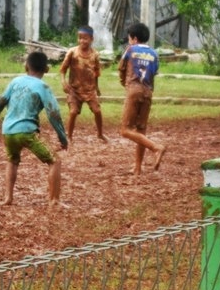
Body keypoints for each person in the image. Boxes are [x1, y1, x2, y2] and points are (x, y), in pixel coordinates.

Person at [0, 51, 68, 206]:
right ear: (46, 69)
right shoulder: (43, 86)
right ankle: (54, 200)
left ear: (26, 66)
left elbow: (1, 100)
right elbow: (54, 113)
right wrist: (62, 137)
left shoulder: (15, 81)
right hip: (27, 132)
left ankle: (8, 198)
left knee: (12, 161)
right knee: (55, 161)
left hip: (8, 132)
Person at [118, 22, 166, 175]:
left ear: (134, 38)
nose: (129, 40)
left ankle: (155, 147)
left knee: (125, 130)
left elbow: (121, 68)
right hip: (148, 92)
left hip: (134, 91)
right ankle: (138, 167)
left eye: (129, 38)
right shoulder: (154, 54)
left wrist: (124, 83)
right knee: (141, 130)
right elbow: (154, 73)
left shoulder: (130, 50)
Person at [60, 25, 107, 143]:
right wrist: (63, 82)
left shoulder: (95, 55)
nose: (82, 41)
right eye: (80, 38)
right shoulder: (72, 52)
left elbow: (96, 72)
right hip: (74, 90)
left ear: (91, 39)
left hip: (90, 90)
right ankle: (69, 136)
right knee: (73, 112)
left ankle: (100, 134)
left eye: (85, 38)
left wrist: (97, 87)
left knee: (97, 111)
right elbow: (63, 70)